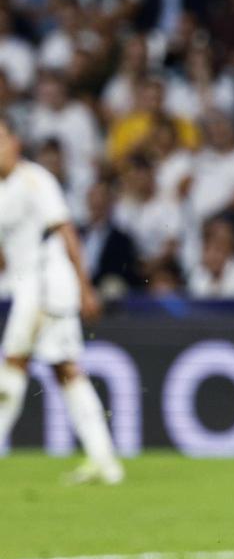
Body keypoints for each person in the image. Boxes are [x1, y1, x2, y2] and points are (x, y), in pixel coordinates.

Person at [0, 116, 125, 484]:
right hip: (28, 284)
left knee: (14, 362)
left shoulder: (35, 180)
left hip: (47, 282)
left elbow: (66, 230)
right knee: (66, 369)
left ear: (15, 143)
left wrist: (85, 288)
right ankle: (105, 461)